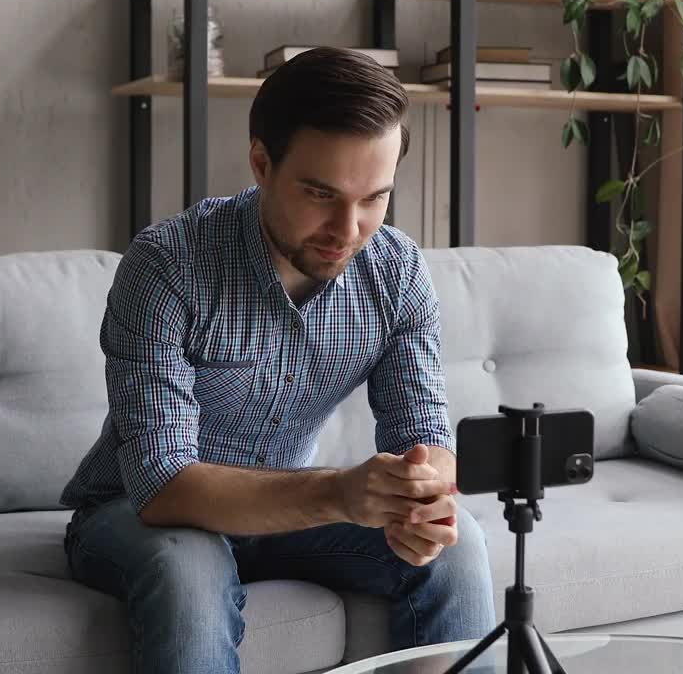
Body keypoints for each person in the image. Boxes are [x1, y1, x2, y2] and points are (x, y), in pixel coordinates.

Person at [59, 46, 496, 674]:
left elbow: (425, 437)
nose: (349, 229)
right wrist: (342, 493)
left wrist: (424, 490)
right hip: (131, 514)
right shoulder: (165, 266)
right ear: (262, 163)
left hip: (288, 517)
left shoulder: (396, 271)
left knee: (458, 546)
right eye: (321, 194)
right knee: (189, 568)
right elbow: (162, 484)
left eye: (374, 198)